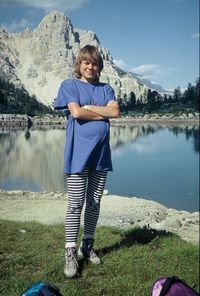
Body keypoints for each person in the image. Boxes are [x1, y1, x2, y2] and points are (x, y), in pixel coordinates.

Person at [54, 44, 120, 278]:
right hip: (77, 156)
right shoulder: (69, 85)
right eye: (86, 62)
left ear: (99, 66)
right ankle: (70, 252)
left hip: (101, 156)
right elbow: (76, 113)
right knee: (74, 204)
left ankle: (87, 246)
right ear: (79, 64)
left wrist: (90, 107)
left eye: (94, 63)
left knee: (94, 203)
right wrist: (97, 111)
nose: (90, 67)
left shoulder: (107, 88)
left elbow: (115, 113)